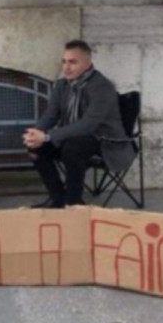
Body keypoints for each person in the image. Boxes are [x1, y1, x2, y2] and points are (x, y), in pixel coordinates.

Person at [23, 40, 134, 208]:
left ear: (88, 63)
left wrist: (46, 136)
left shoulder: (102, 86)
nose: (66, 67)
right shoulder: (61, 85)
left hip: (104, 140)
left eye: (73, 62)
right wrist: (35, 133)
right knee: (35, 148)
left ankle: (74, 202)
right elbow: (51, 115)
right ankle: (58, 197)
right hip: (73, 137)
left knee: (72, 148)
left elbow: (88, 125)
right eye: (64, 61)